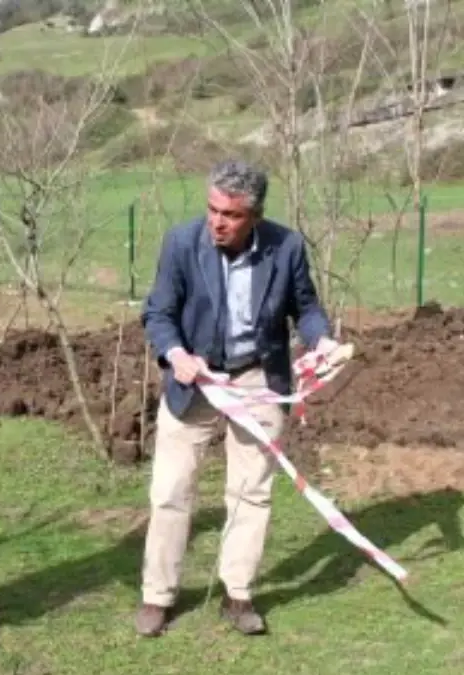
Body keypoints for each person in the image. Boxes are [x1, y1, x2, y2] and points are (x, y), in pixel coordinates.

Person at [137, 159, 341, 638]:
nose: (217, 221)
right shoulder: (181, 243)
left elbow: (306, 308)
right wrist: (175, 352)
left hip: (257, 381)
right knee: (170, 491)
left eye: (229, 214)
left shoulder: (286, 246)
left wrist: (322, 341)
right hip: (196, 381)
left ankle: (238, 594)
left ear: (255, 216)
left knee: (252, 492)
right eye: (211, 209)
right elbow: (158, 313)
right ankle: (157, 596)